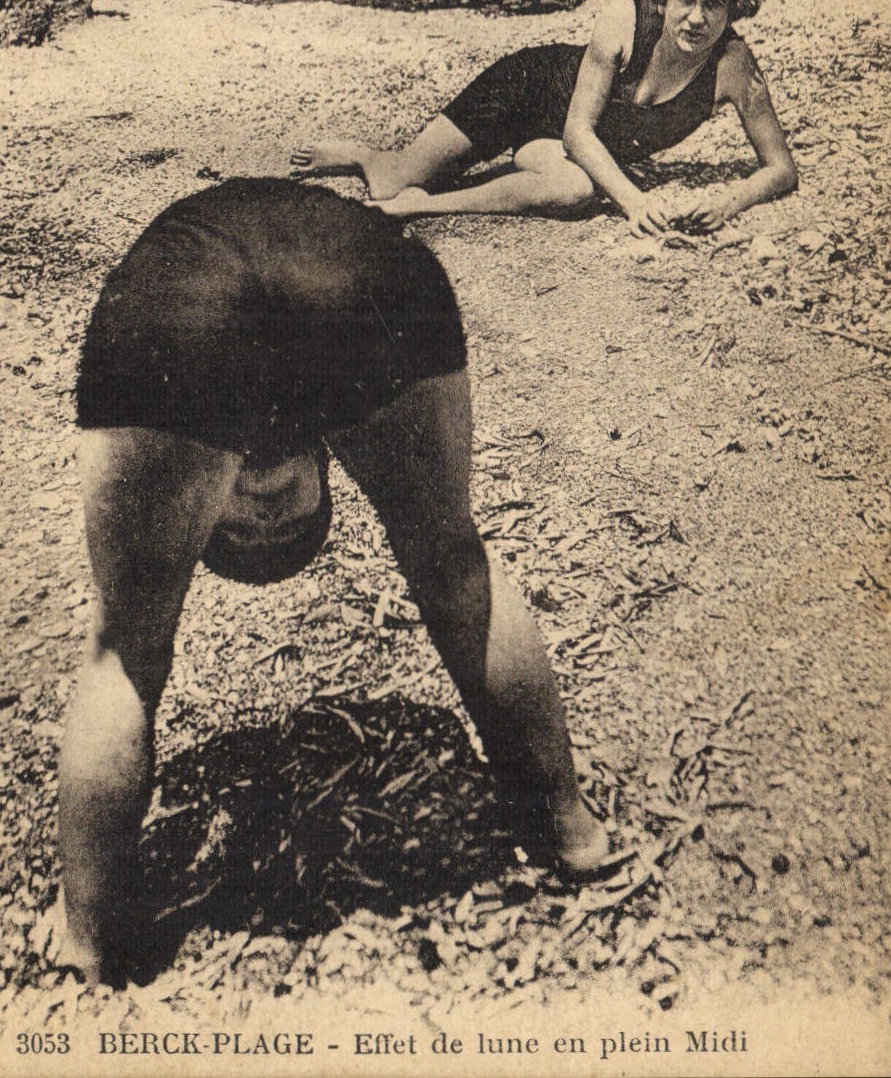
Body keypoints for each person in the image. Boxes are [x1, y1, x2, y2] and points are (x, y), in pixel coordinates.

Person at [56, 177, 609, 985]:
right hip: (366, 280)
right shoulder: (318, 423)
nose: (261, 505)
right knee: (452, 558)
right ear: (331, 457)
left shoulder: (167, 323)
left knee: (127, 647)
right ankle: (572, 832)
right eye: (276, 525)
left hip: (194, 306)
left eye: (244, 529)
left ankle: (86, 940)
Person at [290, 0, 797, 234]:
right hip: (525, 91)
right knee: (391, 178)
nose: (697, 19)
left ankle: (422, 208)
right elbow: (579, 129)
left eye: (714, 5)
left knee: (574, 189)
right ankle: (369, 157)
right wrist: (635, 202)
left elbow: (780, 168)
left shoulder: (732, 65)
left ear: (735, 9)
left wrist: (730, 203)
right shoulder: (622, 19)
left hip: (563, 142)